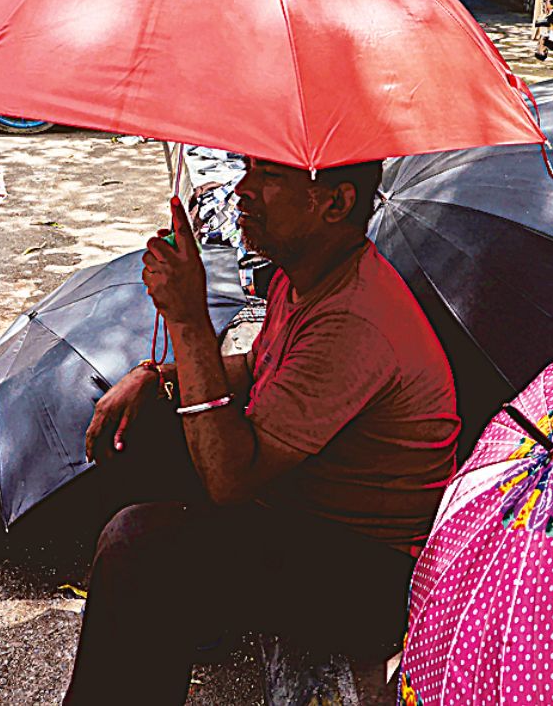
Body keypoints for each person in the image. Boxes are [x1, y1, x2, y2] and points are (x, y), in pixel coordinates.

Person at [65, 158, 460, 705]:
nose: (243, 191)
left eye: (269, 177)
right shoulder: (305, 272)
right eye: (247, 170)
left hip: (363, 570)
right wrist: (155, 377)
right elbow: (258, 365)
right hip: (301, 498)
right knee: (140, 425)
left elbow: (231, 479)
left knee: (140, 548)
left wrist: (186, 319)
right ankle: (185, 627)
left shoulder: (351, 320)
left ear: (336, 203)